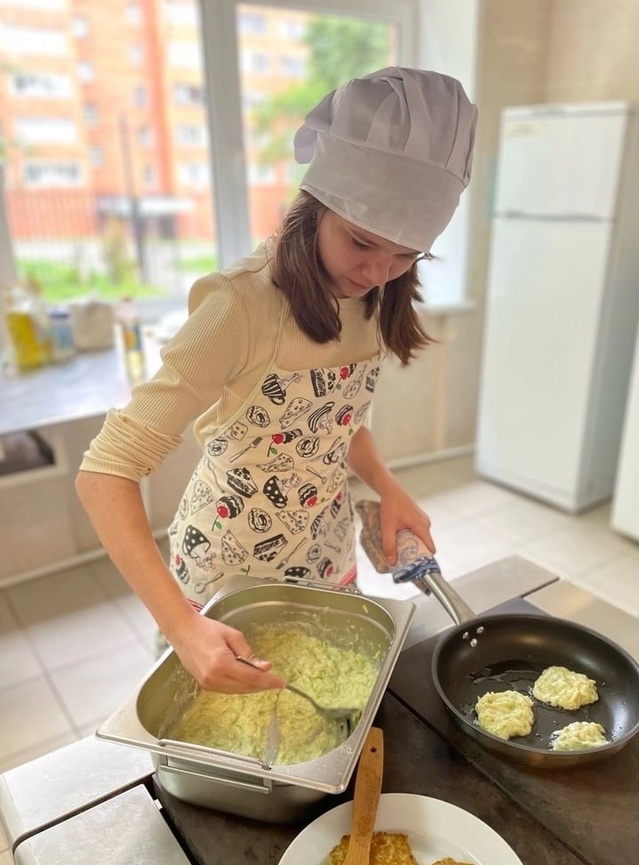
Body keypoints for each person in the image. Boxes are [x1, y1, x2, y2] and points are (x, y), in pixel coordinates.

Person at [76, 66, 477, 695]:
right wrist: (183, 628)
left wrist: (388, 486)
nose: (379, 273)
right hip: (229, 567)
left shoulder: (374, 298)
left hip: (325, 551)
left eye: (406, 255)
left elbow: (339, 423)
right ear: (314, 209)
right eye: (361, 242)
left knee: (325, 700)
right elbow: (105, 472)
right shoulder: (240, 307)